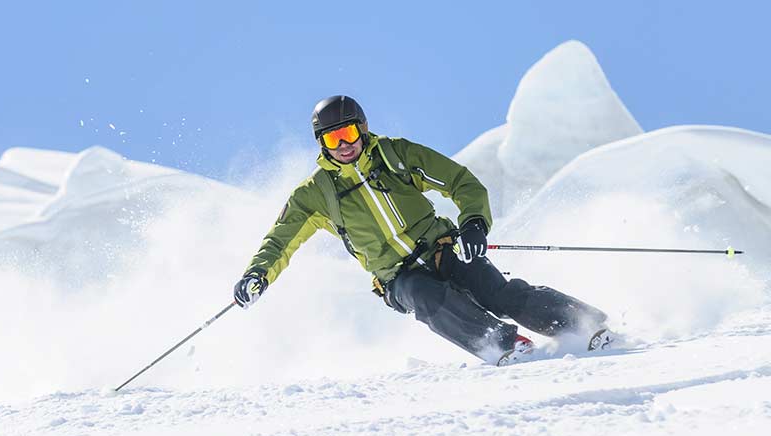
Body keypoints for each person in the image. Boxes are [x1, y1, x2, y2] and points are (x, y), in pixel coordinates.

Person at [234, 95, 610, 365]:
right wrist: (257, 275)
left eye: (348, 132)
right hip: (397, 277)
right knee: (425, 295)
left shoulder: (395, 156)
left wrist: (474, 222)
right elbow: (281, 239)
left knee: (494, 291)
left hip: (441, 247)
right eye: (333, 139)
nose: (345, 145)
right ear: (322, 144)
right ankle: (501, 344)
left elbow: (461, 182)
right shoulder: (317, 193)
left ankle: (583, 324)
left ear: (362, 129)